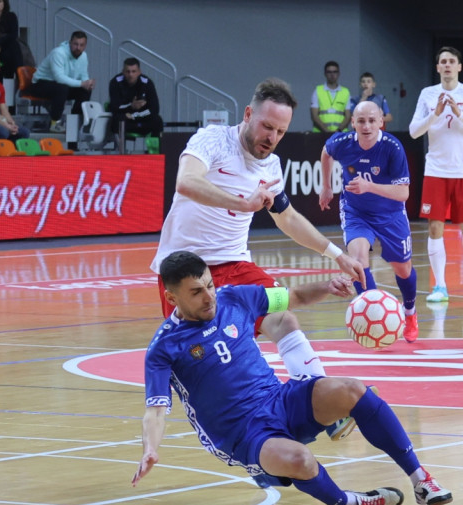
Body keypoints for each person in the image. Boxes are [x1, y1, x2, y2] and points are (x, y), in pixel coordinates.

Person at [133, 251, 453, 505]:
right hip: (242, 434)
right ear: (171, 297)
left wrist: (328, 286)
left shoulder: (234, 298)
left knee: (353, 389)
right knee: (300, 460)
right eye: (196, 292)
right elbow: (156, 411)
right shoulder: (164, 348)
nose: (208, 297)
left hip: (279, 399)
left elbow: (294, 296)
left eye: (209, 285)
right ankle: (352, 502)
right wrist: (150, 448)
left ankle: (421, 478)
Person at [152, 77, 366, 441]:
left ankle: (323, 403)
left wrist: (335, 253)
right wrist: (243, 203)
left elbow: (288, 218)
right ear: (249, 114)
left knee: (283, 318)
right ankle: (252, 440)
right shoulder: (213, 139)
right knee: (225, 363)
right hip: (187, 271)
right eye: (267, 126)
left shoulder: (271, 167)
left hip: (236, 264)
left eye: (281, 131)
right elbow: (186, 182)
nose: (272, 137)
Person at [319, 101, 419, 342]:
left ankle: (410, 313)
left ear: (381, 122)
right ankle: (373, 311)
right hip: (356, 212)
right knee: (359, 261)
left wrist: (369, 186)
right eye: (361, 121)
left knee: (403, 269)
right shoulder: (342, 143)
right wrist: (326, 187)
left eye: (372, 121)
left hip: (391, 214)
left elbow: (403, 193)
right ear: (352, 122)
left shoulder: (392, 147)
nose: (366, 126)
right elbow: (326, 153)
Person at [409, 46, 463, 303]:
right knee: (435, 228)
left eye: (451, 61)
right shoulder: (428, 94)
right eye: (442, 61)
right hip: (435, 170)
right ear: (437, 68)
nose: (446, 65)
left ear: (459, 67)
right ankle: (440, 286)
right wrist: (435, 114)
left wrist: (460, 113)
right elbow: (413, 131)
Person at [29, 30, 94, 133]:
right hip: (39, 84)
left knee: (85, 90)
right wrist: (81, 83)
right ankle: (55, 123)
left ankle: (76, 122)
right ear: (70, 43)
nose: (78, 48)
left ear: (85, 46)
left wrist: (87, 83)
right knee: (62, 87)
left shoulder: (83, 56)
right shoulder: (58, 53)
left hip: (60, 86)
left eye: (81, 45)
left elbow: (83, 75)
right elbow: (59, 78)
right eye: (75, 44)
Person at [108, 57, 163, 138]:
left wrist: (135, 115)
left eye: (134, 71)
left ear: (139, 72)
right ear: (123, 72)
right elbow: (114, 107)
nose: (130, 75)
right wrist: (131, 106)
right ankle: (121, 149)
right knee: (117, 120)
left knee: (157, 120)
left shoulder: (147, 83)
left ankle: (154, 150)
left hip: (142, 118)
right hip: (125, 119)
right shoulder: (115, 82)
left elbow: (155, 109)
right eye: (128, 71)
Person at [310, 60, 350, 133]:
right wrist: (326, 131)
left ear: (339, 73)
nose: (332, 75)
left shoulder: (345, 92)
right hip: (320, 134)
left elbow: (348, 116)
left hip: (340, 133)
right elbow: (314, 116)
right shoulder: (318, 90)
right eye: (329, 72)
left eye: (335, 72)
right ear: (325, 74)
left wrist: (338, 131)